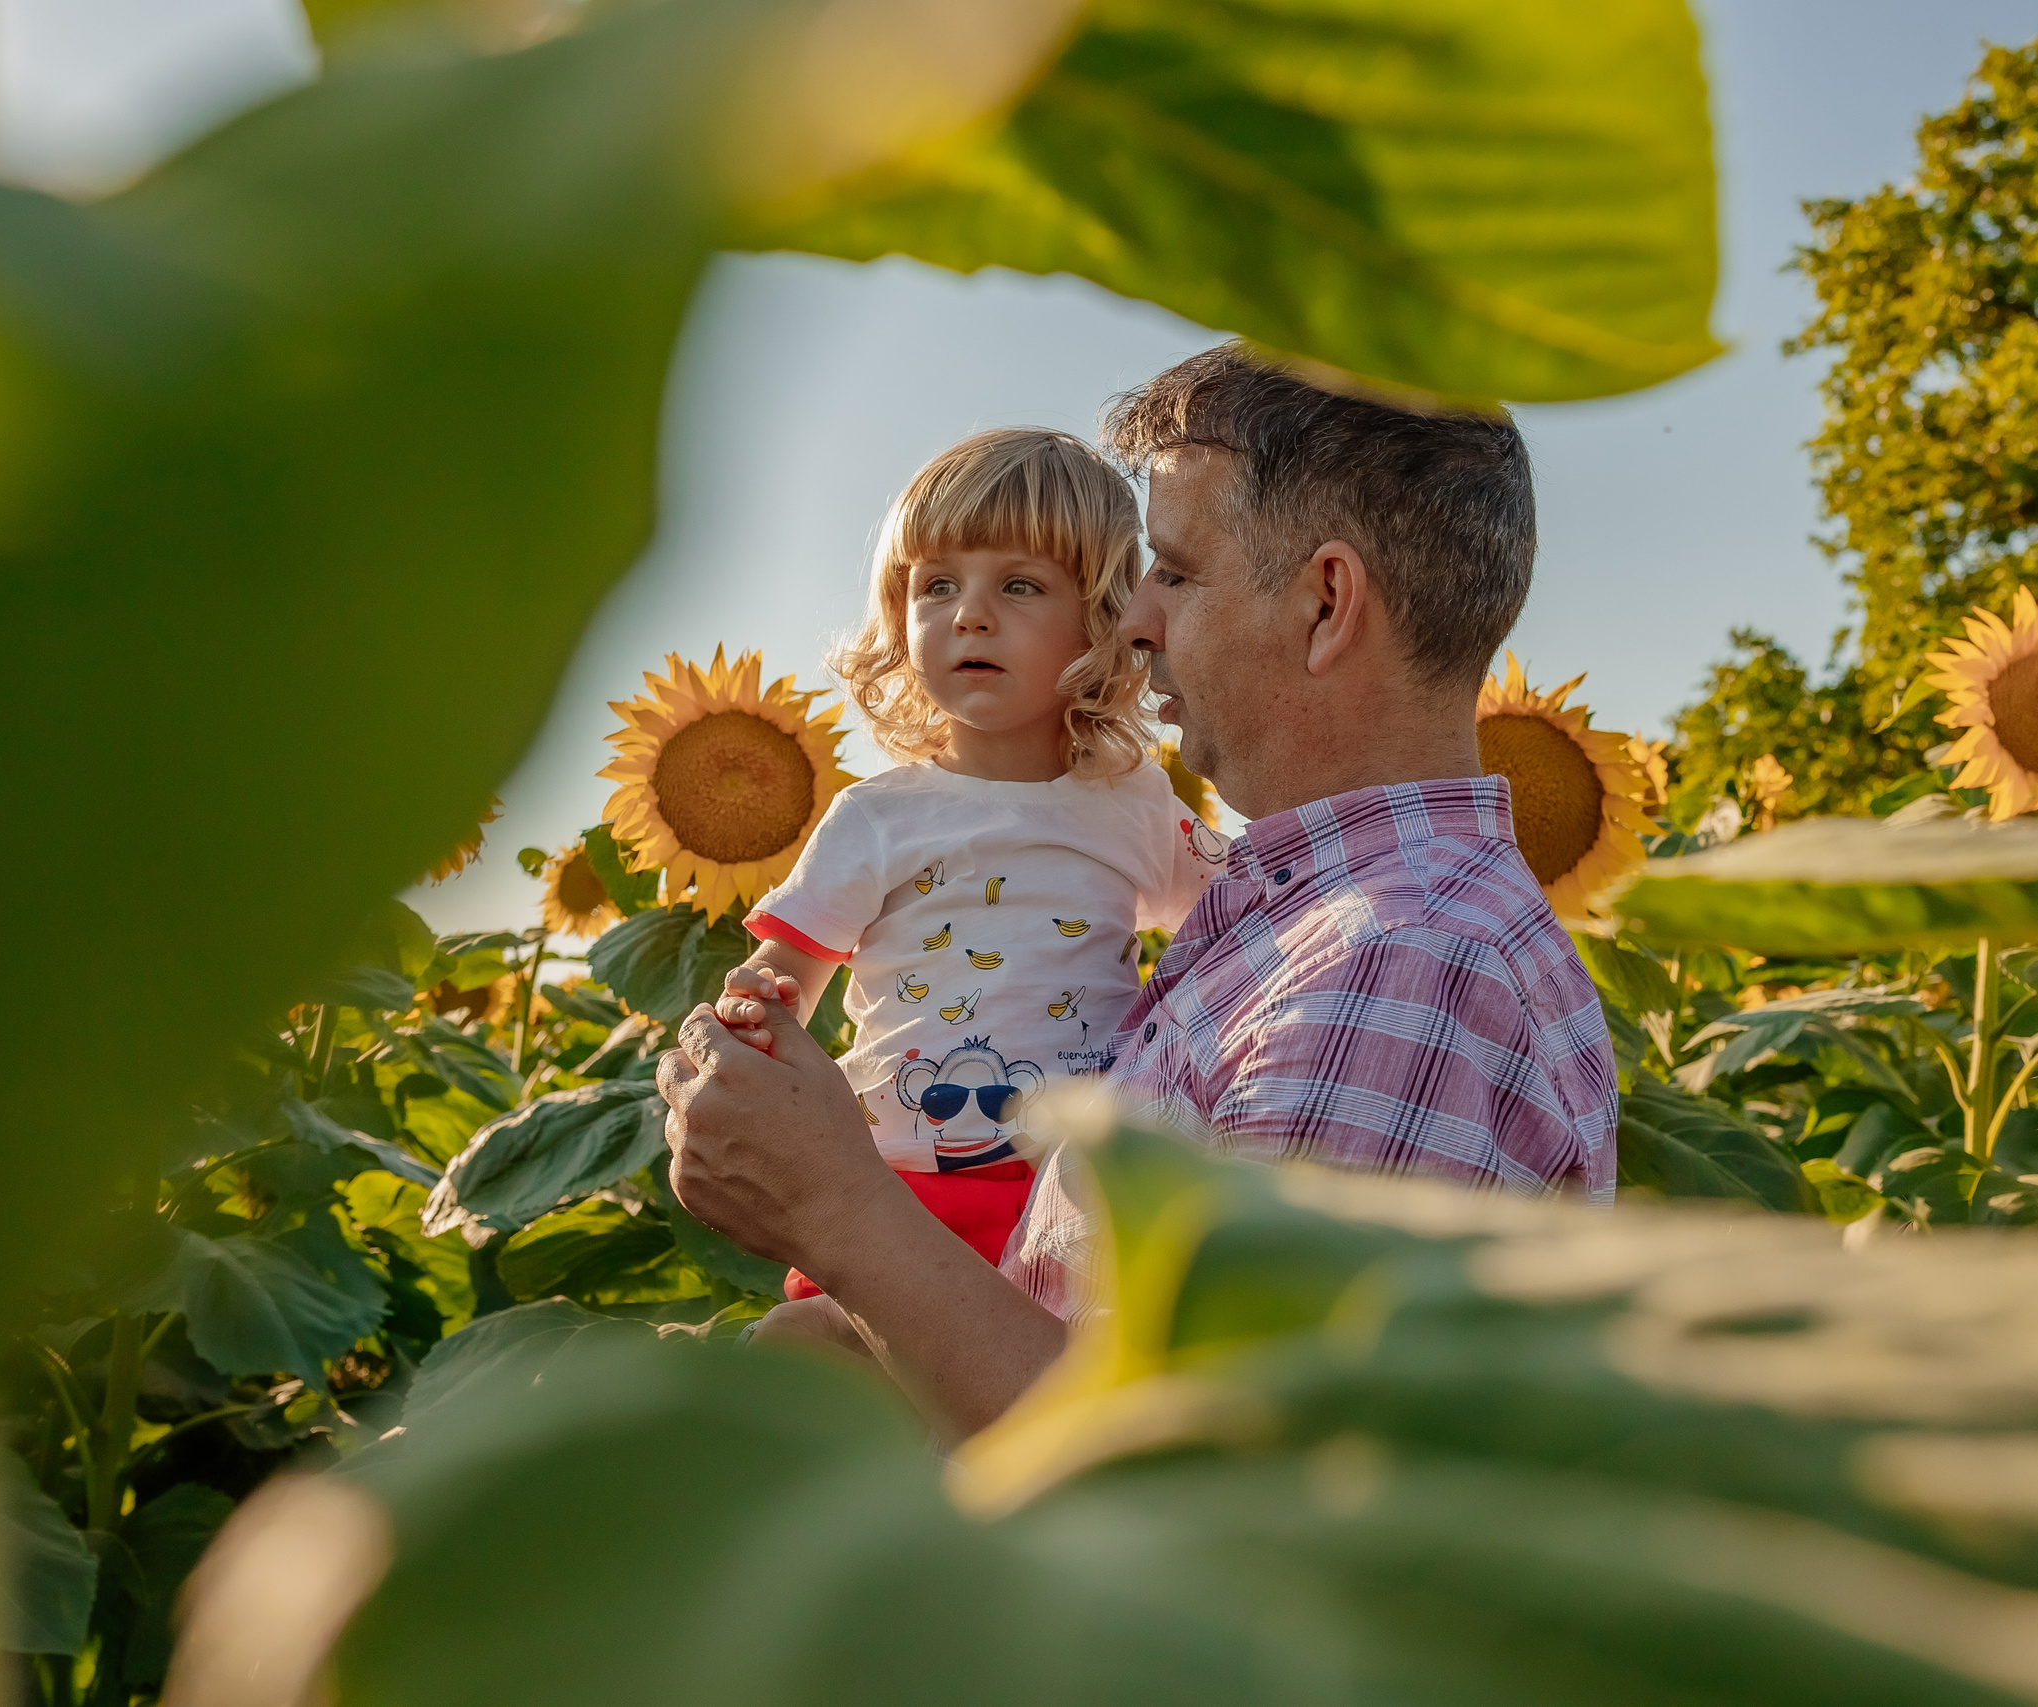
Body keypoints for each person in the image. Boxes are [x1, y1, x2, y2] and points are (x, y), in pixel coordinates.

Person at [665, 345, 1618, 1439]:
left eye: (1175, 571)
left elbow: (1219, 1481)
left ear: (1325, 603)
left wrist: (839, 1212)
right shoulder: (1295, 917)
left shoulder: (1401, 966)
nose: (1131, 622)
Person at [710, 427, 1219, 1307]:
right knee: (839, 1363)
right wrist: (756, 1007)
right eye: (938, 585)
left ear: (1100, 616)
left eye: (1019, 585)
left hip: (1083, 1192)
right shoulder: (877, 817)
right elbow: (786, 973)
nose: (970, 615)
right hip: (895, 1190)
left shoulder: (1134, 801)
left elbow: (1242, 914)